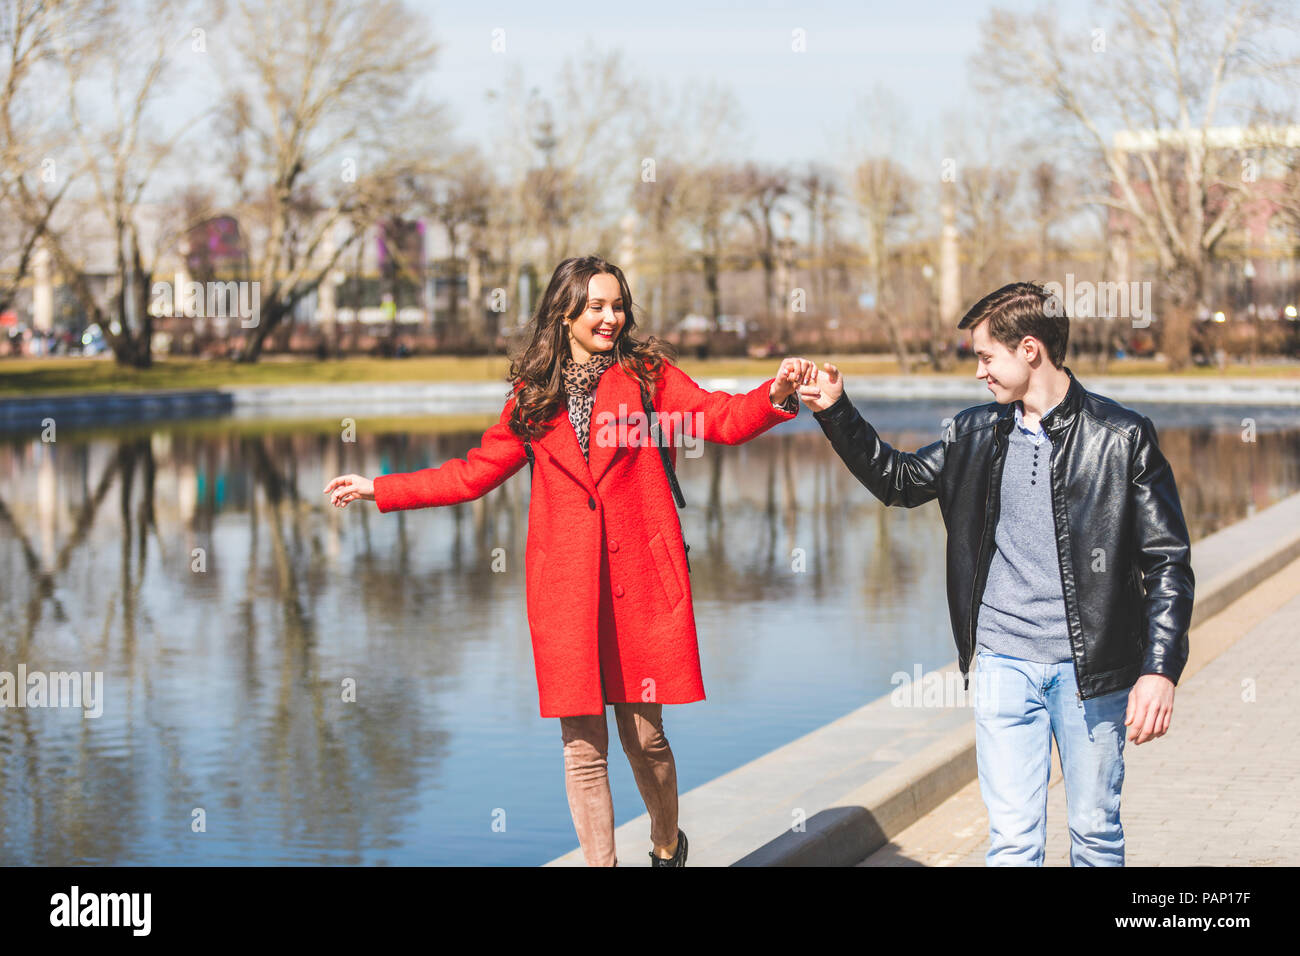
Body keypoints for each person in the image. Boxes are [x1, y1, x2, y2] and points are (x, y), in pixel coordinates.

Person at [324, 254, 815, 866]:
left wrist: (776, 393)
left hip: (638, 580)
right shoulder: (534, 398)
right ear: (565, 313)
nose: (611, 318)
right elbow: (473, 474)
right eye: (597, 307)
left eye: (618, 306)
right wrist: (382, 487)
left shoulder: (646, 375)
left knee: (645, 739)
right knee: (582, 749)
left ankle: (667, 847)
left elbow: (717, 417)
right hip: (566, 592)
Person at [794, 281, 1194, 866]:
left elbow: (1167, 562)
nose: (979, 371)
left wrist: (1160, 669)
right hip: (1004, 664)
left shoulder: (1122, 437)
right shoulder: (976, 433)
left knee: (1095, 834)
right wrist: (835, 411)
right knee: (1011, 842)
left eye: (986, 356)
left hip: (1095, 674)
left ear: (1028, 349)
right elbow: (898, 481)